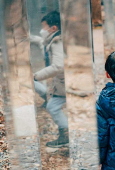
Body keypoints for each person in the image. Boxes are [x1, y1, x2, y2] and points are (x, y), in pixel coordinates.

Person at [32, 11, 68, 148]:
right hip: (63, 83)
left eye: (44, 27)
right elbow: (40, 40)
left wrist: (36, 76)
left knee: (53, 107)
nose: (42, 30)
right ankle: (66, 134)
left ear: (53, 28)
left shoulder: (56, 42)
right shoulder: (54, 39)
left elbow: (58, 66)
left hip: (65, 83)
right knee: (53, 106)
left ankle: (66, 135)